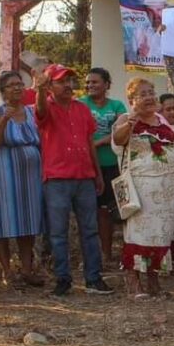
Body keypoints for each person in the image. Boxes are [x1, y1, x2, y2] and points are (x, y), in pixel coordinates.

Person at [34, 64, 111, 297]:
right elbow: (40, 112)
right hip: (57, 178)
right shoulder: (46, 106)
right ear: (50, 85)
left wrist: (97, 173)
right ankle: (63, 279)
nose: (68, 85)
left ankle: (93, 278)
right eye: (61, 81)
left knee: (90, 230)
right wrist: (40, 91)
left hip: (84, 177)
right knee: (58, 233)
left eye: (69, 81)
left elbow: (89, 143)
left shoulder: (82, 109)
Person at [111, 79, 174, 298]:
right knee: (138, 234)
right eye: (142, 94)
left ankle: (154, 282)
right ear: (131, 100)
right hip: (141, 190)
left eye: (151, 93)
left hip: (167, 192)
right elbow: (118, 141)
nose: (149, 97)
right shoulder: (126, 118)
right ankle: (133, 281)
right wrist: (130, 122)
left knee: (160, 234)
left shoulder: (161, 119)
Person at [0, 71, 44, 287]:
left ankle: (27, 269)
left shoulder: (30, 111)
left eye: (20, 84)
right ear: (3, 91)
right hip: (6, 169)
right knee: (4, 218)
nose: (17, 88)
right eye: (11, 85)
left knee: (28, 219)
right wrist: (5, 119)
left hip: (31, 173)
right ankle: (7, 271)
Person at [79, 67, 127, 266]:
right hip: (88, 167)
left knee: (116, 210)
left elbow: (120, 132)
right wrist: (101, 141)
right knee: (96, 212)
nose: (90, 85)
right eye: (88, 82)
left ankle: (115, 255)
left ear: (106, 84)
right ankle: (97, 255)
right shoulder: (80, 104)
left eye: (95, 82)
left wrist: (96, 143)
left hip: (113, 165)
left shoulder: (117, 106)